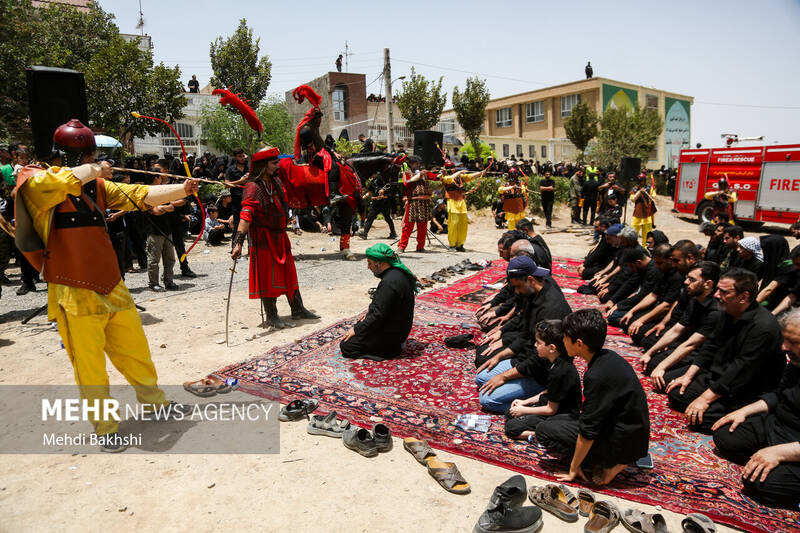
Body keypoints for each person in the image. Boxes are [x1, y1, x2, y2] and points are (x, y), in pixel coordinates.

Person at [14, 119, 196, 451]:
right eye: (85, 155)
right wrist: (96, 169)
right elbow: (64, 180)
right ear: (64, 156)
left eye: (91, 154)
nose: (90, 159)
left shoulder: (95, 184)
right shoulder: (36, 179)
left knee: (135, 351)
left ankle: (154, 402)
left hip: (111, 283)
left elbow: (138, 194)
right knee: (90, 366)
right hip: (72, 289)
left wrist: (182, 189)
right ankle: (106, 427)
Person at [537, 309, 650, 486]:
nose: (563, 341)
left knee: (544, 431)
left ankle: (611, 464)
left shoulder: (597, 375)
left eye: (565, 337)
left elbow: (588, 430)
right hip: (627, 432)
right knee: (554, 422)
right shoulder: (607, 357)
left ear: (579, 344)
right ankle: (602, 457)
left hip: (623, 442)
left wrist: (573, 468)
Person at [665, 269, 786, 433]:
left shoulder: (763, 327)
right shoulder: (728, 311)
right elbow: (710, 346)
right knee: (675, 393)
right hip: (720, 375)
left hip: (745, 386)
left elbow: (741, 368)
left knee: (702, 420)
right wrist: (688, 376)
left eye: (723, 292)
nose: (716, 295)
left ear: (743, 297)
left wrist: (706, 398)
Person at [711, 309, 800, 509]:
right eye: (785, 339)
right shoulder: (797, 361)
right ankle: (766, 457)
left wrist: (780, 453)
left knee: (758, 483)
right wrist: (744, 411)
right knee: (725, 436)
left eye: (793, 342)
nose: (784, 347)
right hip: (780, 426)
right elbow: (779, 395)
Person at [231, 145, 318, 329]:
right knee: (267, 275)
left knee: (288, 272)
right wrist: (238, 242)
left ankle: (298, 308)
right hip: (263, 238)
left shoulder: (276, 181)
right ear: (263, 166)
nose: (278, 165)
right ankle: (271, 316)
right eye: (274, 162)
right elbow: (245, 216)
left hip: (279, 235)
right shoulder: (253, 187)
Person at [475, 256, 572, 413]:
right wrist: (500, 355)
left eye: (518, 287)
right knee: (481, 378)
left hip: (543, 372)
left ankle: (542, 404)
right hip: (528, 358)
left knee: (487, 400)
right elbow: (525, 331)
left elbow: (539, 360)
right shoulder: (533, 292)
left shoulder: (551, 309)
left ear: (530, 280)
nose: (516, 292)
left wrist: (504, 376)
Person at [641, 261, 722, 387]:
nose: (686, 282)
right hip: (688, 344)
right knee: (651, 362)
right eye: (687, 278)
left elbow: (691, 344)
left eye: (692, 280)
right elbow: (677, 330)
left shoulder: (715, 310)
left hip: (703, 354)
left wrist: (662, 366)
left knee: (664, 381)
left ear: (708, 284)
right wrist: (649, 353)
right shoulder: (695, 299)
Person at [504, 320, 582, 441]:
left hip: (561, 415)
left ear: (552, 348)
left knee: (511, 428)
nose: (535, 345)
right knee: (509, 413)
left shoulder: (560, 371)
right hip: (551, 404)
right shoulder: (554, 362)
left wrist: (524, 410)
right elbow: (548, 392)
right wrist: (524, 402)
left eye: (539, 343)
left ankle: (541, 434)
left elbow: (551, 410)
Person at [340, 243, 416, 360]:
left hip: (392, 337)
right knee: (364, 324)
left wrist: (356, 329)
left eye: (370, 263)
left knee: (347, 346)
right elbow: (385, 306)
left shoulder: (388, 283)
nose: (368, 267)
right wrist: (369, 314)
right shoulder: (398, 273)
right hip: (399, 329)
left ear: (379, 263)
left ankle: (387, 352)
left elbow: (378, 315)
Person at [145, 164, 179, 292]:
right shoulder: (147, 192)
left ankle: (168, 281)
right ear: (155, 178)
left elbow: (171, 207)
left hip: (166, 230)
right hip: (154, 231)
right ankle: (153, 283)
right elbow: (154, 211)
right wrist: (164, 208)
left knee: (170, 259)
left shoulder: (162, 191)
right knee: (154, 260)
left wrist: (162, 208)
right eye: (160, 176)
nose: (162, 178)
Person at [397, 155, 435, 253]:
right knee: (408, 227)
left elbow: (436, 177)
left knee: (423, 226)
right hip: (412, 202)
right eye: (415, 163)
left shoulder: (424, 173)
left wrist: (443, 174)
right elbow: (406, 183)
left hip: (424, 203)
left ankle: (420, 247)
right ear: (410, 164)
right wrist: (419, 175)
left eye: (418, 163)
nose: (418, 165)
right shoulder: (406, 173)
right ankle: (402, 247)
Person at [441, 168, 481, 251]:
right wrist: (459, 172)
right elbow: (449, 179)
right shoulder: (444, 177)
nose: (453, 170)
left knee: (463, 223)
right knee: (453, 223)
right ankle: (452, 244)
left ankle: (460, 244)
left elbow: (470, 176)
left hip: (461, 201)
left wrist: (481, 172)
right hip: (452, 201)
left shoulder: (460, 177)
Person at [358, 171, 397, 240]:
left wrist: (383, 191)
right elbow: (370, 191)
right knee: (370, 218)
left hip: (384, 203)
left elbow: (388, 186)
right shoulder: (372, 181)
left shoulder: (381, 177)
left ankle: (393, 233)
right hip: (376, 203)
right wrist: (363, 197)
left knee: (387, 218)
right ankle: (364, 234)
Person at [225, 148, 250, 249]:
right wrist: (240, 181)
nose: (242, 158)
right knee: (237, 224)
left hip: (248, 198)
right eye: (240, 156)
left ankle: (251, 248)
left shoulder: (249, 168)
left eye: (243, 156)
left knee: (250, 224)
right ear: (235, 157)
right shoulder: (231, 169)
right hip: (237, 200)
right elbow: (226, 184)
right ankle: (235, 248)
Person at [630, 174, 657, 247]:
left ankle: (645, 248)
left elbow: (654, 197)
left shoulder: (649, 187)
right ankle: (632, 247)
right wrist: (639, 192)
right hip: (637, 213)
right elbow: (633, 199)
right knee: (633, 233)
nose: (640, 182)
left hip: (647, 214)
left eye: (642, 181)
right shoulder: (634, 189)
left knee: (647, 234)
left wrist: (651, 196)